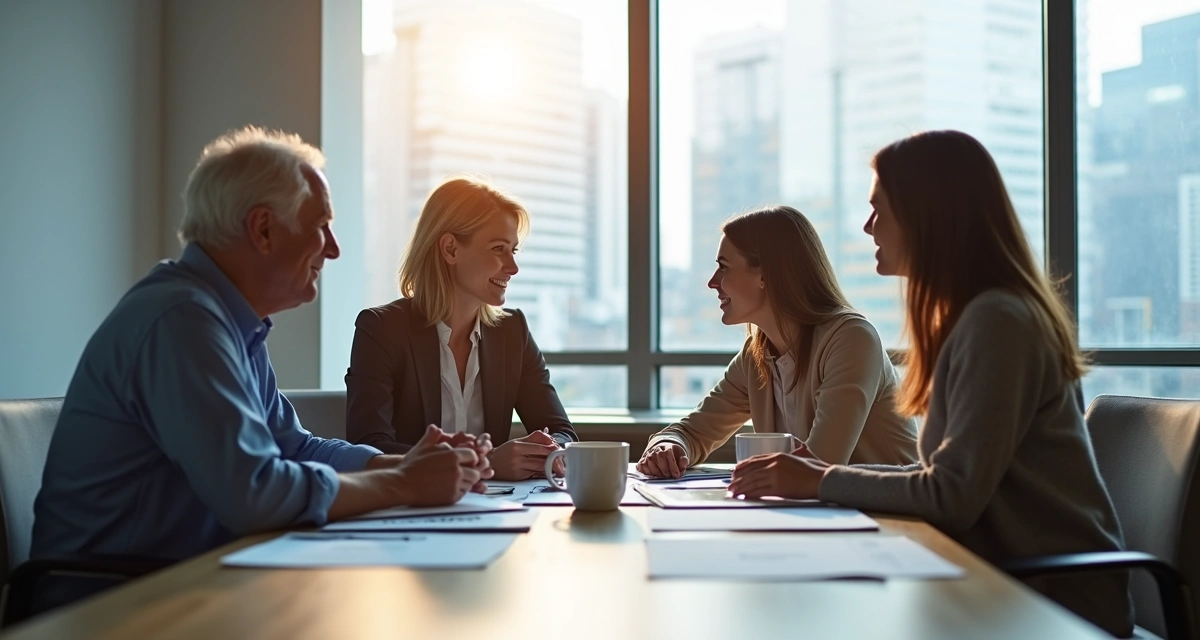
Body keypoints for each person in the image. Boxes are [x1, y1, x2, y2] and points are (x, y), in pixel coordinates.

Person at [31, 127, 492, 584]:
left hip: (185, 583)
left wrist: (407, 464)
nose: (333, 249)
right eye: (321, 226)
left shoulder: (227, 321)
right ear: (264, 229)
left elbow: (294, 448)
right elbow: (255, 494)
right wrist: (406, 484)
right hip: (111, 607)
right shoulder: (182, 320)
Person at [728, 130, 1133, 637]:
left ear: (927, 215)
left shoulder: (999, 321)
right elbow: (944, 480)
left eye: (880, 208)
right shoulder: (969, 320)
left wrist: (817, 478)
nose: (868, 225)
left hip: (1050, 598)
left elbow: (951, 494)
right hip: (991, 575)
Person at [637, 206, 918, 478]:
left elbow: (820, 467)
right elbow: (693, 431)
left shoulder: (851, 339)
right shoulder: (757, 353)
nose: (712, 282)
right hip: (820, 516)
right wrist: (668, 447)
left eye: (724, 268)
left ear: (765, 275)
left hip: (892, 520)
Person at [345, 176, 578, 481]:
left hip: (491, 510)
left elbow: (563, 433)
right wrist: (488, 463)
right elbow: (369, 448)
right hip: (409, 509)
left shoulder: (512, 331)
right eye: (498, 249)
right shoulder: (381, 330)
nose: (513, 267)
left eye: (513, 251)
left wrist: (547, 450)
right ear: (451, 249)